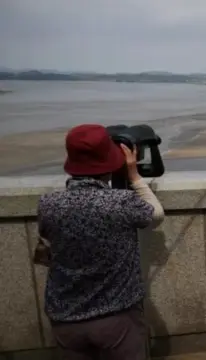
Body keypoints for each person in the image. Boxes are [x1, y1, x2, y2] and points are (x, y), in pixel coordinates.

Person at [34, 124, 165, 360]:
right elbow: (155, 214)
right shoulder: (121, 203)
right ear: (112, 161)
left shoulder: (48, 204)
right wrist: (133, 174)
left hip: (66, 319)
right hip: (117, 318)